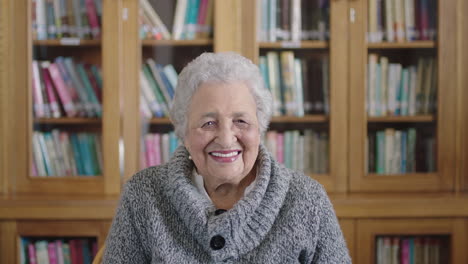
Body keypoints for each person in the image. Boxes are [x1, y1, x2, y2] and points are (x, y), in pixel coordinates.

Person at [103, 52, 351, 263]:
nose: (225, 138)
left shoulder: (308, 199)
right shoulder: (142, 195)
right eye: (208, 123)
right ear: (184, 130)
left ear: (260, 128)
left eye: (240, 121)